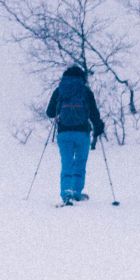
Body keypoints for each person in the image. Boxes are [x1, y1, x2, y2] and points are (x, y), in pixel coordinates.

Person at [44, 64, 106, 205]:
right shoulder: (86, 91)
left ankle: (66, 193)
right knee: (80, 162)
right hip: (82, 133)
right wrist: (98, 126)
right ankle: (76, 192)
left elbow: (50, 113)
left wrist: (59, 114)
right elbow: (94, 113)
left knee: (67, 163)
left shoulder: (59, 90)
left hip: (64, 133)